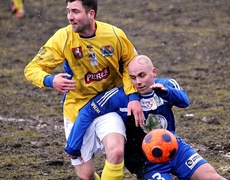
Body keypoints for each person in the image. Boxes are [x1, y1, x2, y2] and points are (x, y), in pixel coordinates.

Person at [24, 0, 145, 179]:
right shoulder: (63, 37)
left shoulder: (114, 35)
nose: (70, 17)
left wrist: (133, 96)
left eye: (75, 11)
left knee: (117, 151)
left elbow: (130, 64)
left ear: (91, 14)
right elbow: (31, 69)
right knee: (86, 176)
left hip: (107, 106)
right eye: (68, 12)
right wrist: (50, 80)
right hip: (76, 109)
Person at [65, 55, 226, 180]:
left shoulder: (166, 84)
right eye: (133, 77)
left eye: (142, 75)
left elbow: (185, 101)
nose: (138, 82)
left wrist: (166, 93)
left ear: (153, 72)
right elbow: (87, 111)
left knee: (211, 177)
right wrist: (73, 145)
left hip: (174, 149)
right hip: (147, 163)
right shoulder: (119, 96)